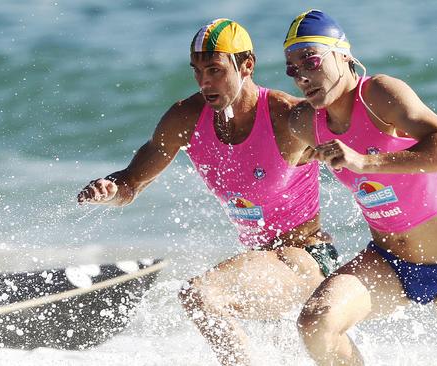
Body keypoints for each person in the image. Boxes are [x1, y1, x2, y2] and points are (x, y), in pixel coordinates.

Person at [77, 18, 340, 366]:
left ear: (247, 65)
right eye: (197, 71)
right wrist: (112, 190)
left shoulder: (287, 117)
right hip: (260, 265)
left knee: (200, 294)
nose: (204, 82)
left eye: (215, 70)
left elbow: (361, 151)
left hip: (305, 259)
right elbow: (132, 182)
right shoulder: (186, 118)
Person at [283, 9, 437, 366]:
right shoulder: (306, 123)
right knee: (316, 323)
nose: (303, 76)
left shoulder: (379, 94)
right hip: (389, 263)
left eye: (310, 60)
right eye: (293, 69)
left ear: (343, 54)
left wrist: (365, 162)